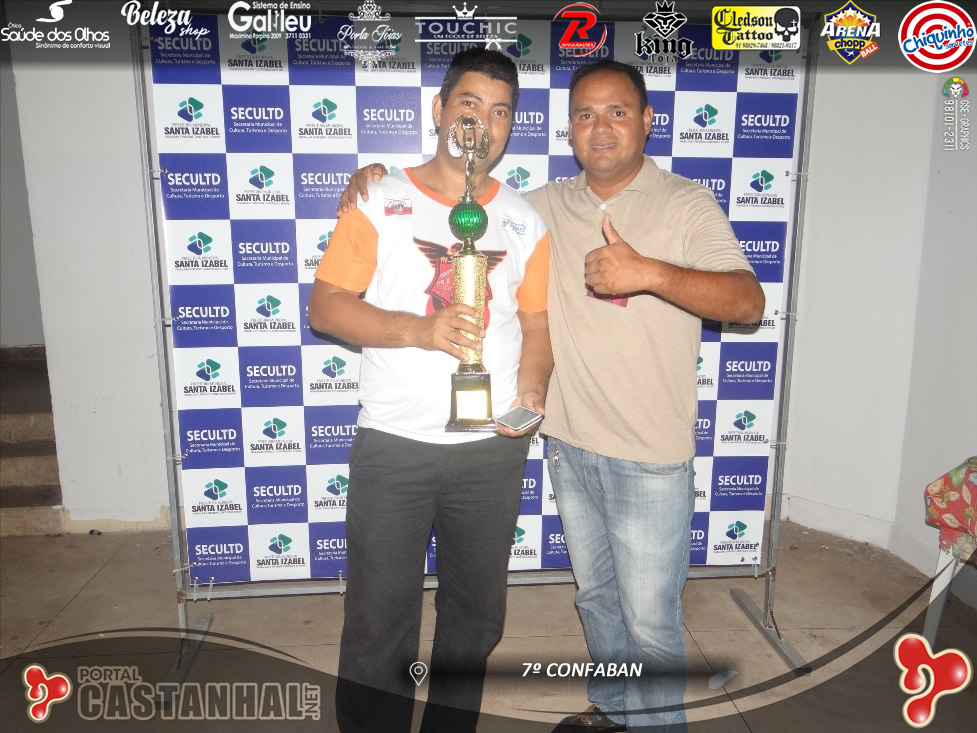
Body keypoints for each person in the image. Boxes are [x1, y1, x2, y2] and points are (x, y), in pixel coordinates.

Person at [339, 59, 764, 732]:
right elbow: (458, 197)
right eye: (585, 115)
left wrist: (649, 272)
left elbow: (747, 302)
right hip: (567, 444)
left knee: (650, 624)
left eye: (618, 112)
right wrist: (373, 178)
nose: (601, 128)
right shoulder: (537, 207)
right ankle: (614, 712)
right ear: (568, 129)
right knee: (596, 601)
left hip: (650, 454)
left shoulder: (685, 202)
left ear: (647, 120)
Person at [308, 48, 552, 733]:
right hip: (396, 446)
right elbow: (326, 307)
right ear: (439, 110)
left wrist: (532, 388)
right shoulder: (378, 199)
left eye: (500, 111)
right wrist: (419, 330)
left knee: (475, 618)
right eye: (468, 105)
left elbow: (537, 323)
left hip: (490, 450)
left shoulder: (524, 220)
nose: (482, 123)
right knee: (378, 622)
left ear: (511, 126)